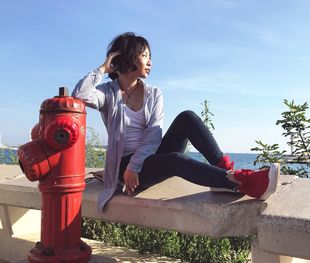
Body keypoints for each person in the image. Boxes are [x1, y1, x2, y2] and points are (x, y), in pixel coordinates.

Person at [72, 32, 279, 211]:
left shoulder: (153, 93)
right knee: (174, 161)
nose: (150, 61)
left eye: (149, 56)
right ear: (126, 58)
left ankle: (226, 170)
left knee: (187, 117)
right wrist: (103, 68)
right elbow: (80, 95)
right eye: (144, 55)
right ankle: (239, 182)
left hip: (144, 160)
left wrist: (137, 165)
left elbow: (154, 135)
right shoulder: (107, 94)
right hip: (124, 167)